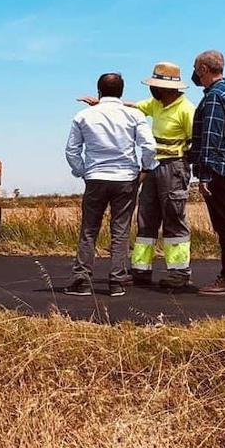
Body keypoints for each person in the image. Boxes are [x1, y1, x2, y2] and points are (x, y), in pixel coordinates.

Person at [84, 62, 196, 289]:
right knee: (146, 217)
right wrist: (105, 104)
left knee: (174, 219)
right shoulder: (156, 104)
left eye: (155, 85)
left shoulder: (186, 109)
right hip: (152, 167)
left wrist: (185, 168)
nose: (151, 89)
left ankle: (178, 273)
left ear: (167, 88)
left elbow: (195, 142)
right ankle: (141, 270)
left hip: (174, 167)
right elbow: (134, 107)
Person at [64, 73, 157, 297]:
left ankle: (82, 280)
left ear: (98, 91)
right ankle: (116, 281)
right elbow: (149, 146)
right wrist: (145, 168)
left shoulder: (83, 116)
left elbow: (72, 150)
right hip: (125, 177)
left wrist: (82, 171)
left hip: (96, 177)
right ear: (122, 92)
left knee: (89, 230)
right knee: (120, 231)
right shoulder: (134, 115)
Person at [187, 50, 225, 296]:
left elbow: (210, 137)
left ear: (203, 69)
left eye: (195, 68)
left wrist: (204, 175)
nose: (195, 73)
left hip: (216, 170)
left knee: (224, 226)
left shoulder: (213, 97)